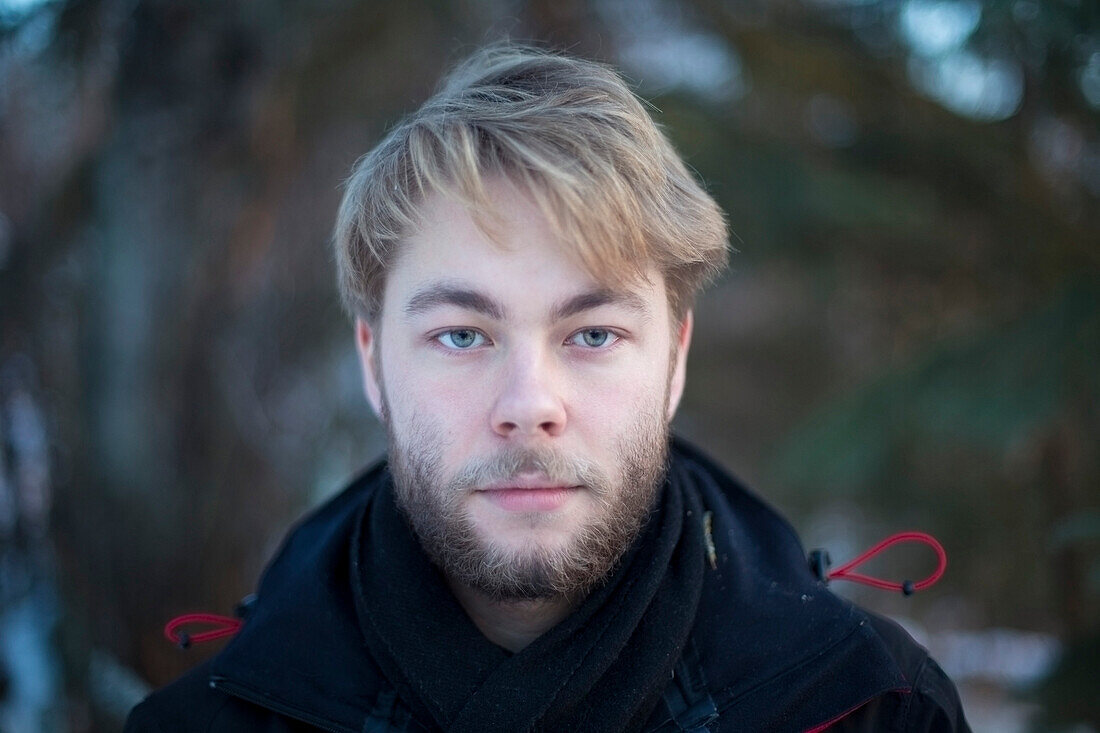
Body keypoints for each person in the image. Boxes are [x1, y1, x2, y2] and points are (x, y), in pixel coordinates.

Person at [125, 44, 969, 732]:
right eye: (462, 335)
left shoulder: (872, 709)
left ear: (675, 359)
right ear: (372, 361)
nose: (529, 403)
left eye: (592, 334)